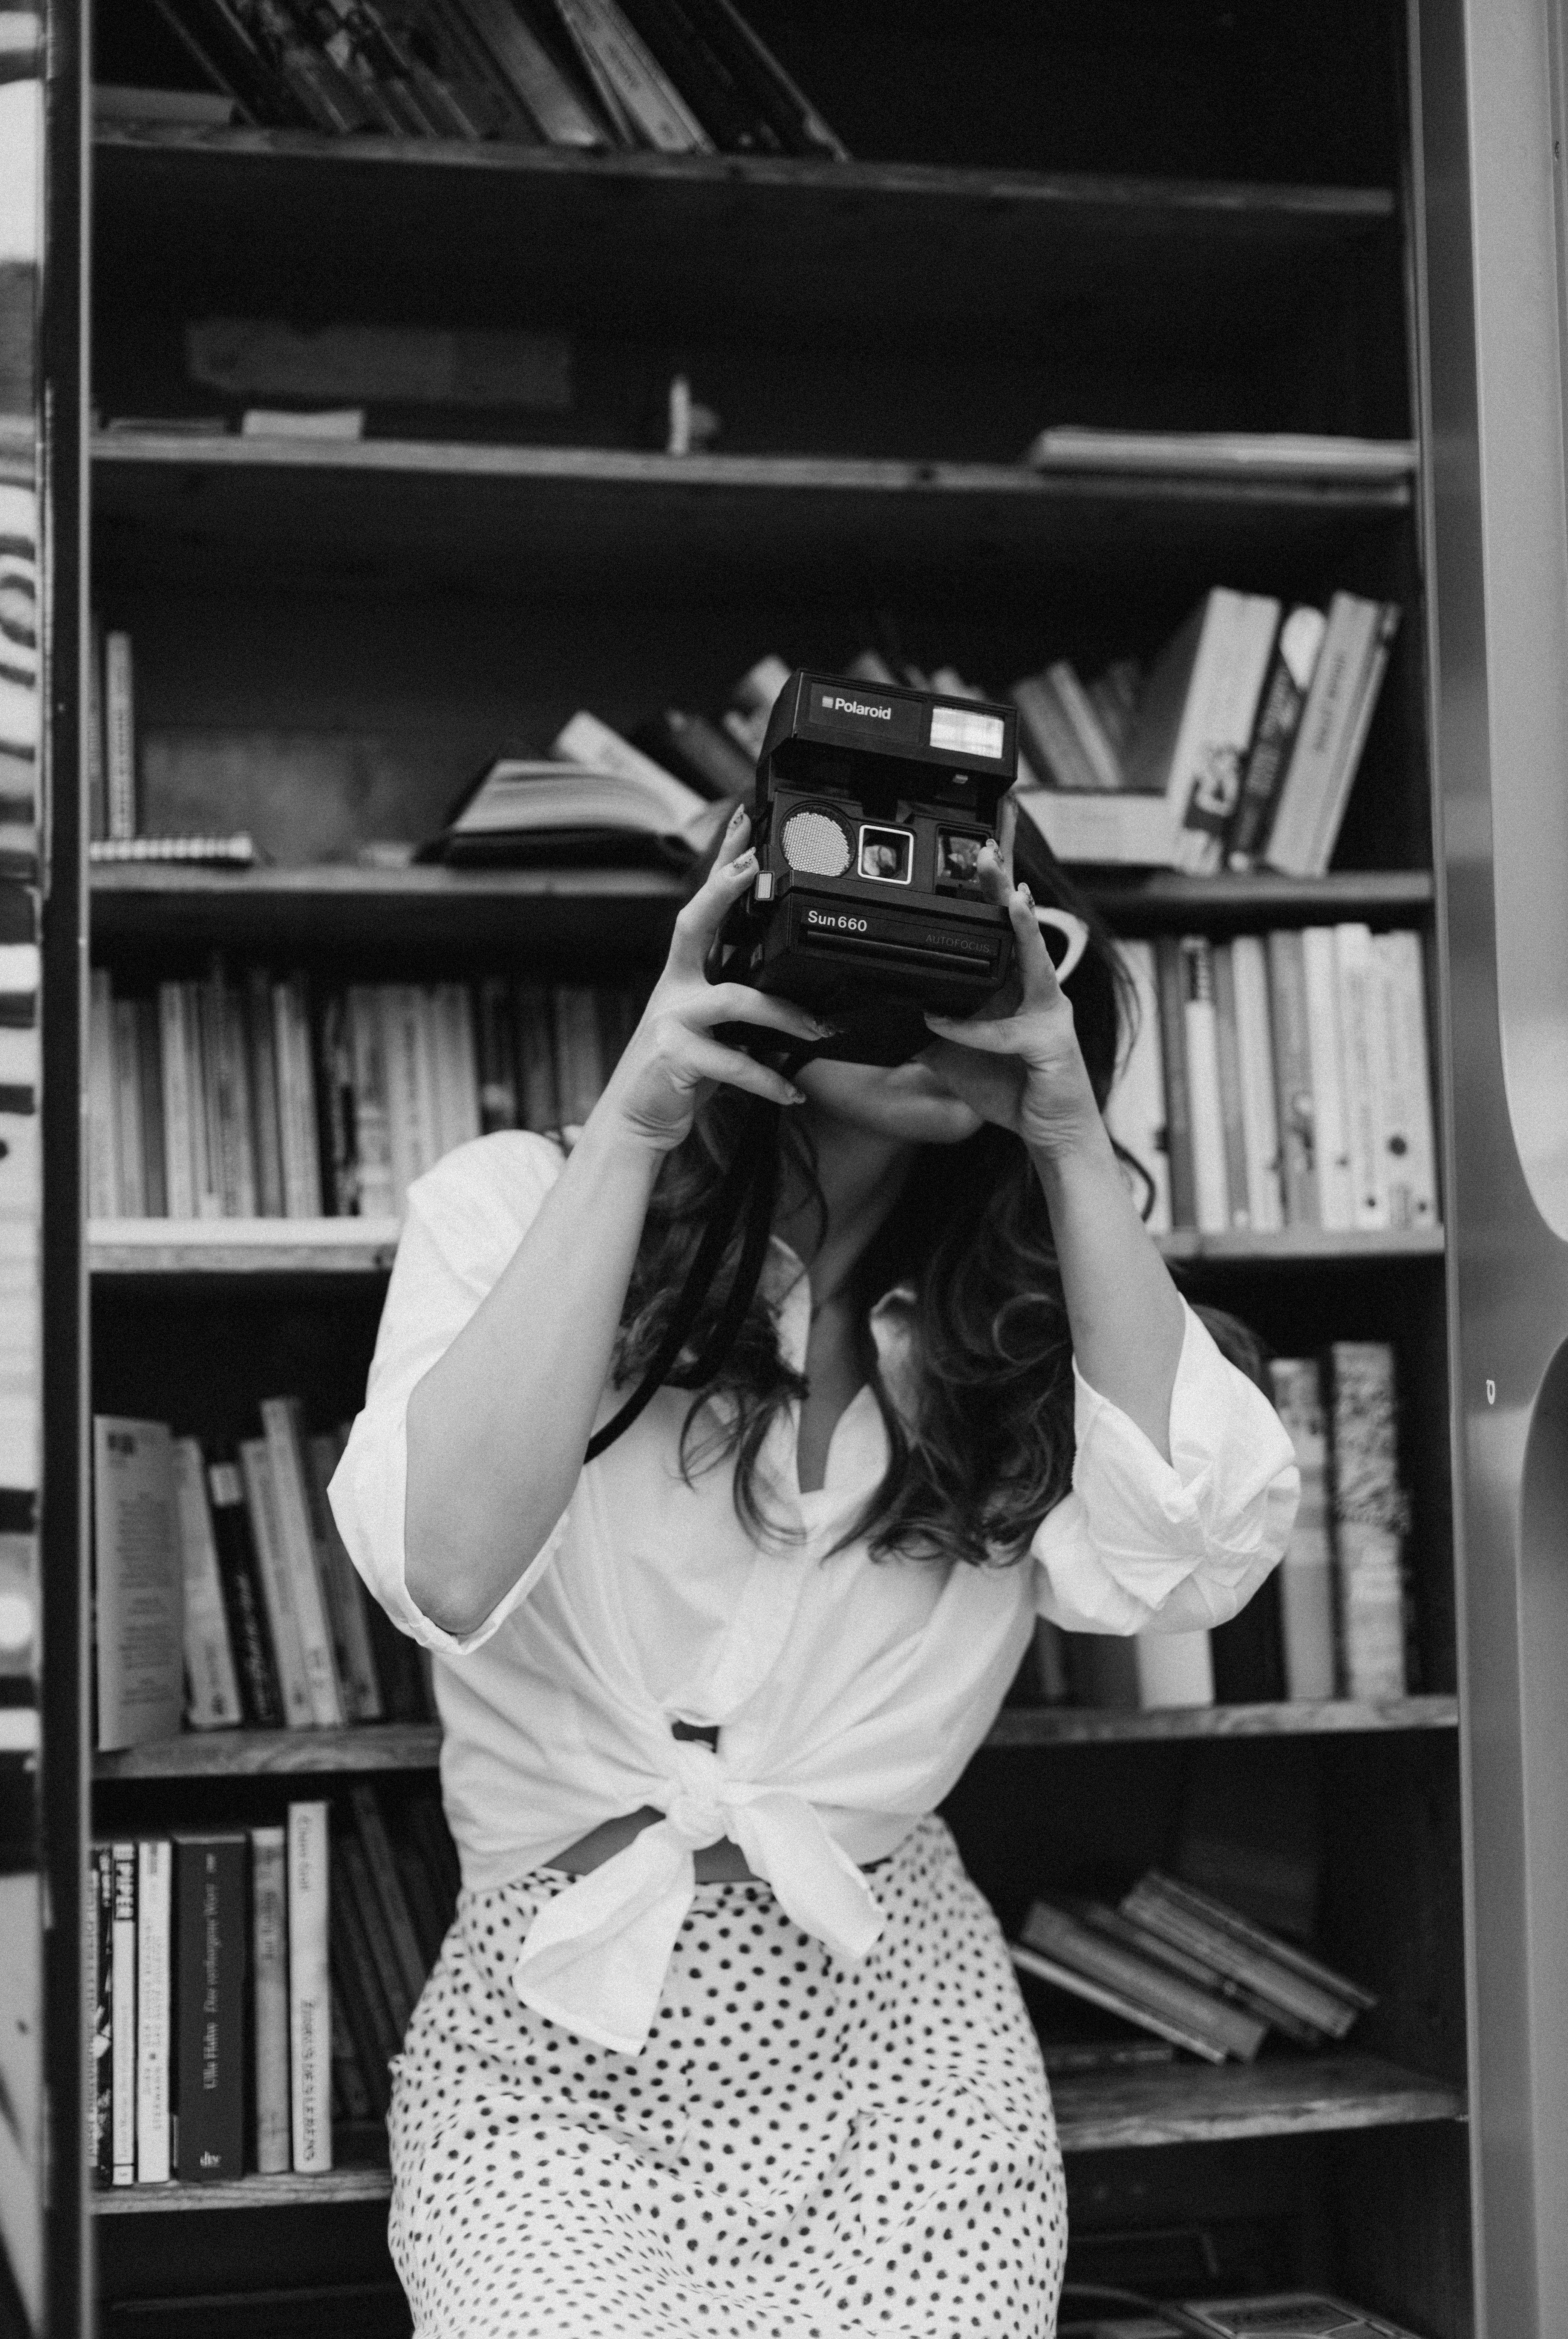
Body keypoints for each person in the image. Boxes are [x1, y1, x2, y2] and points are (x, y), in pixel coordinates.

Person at [329, 806, 1299, 2339]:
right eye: (870, 938)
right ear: (750, 943)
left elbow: (1188, 1561)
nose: (918, 1000)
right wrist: (645, 1115)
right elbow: (444, 1569)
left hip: (899, 2049)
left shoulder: (1018, 1319)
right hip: (563, 2058)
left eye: (965, 946)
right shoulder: (517, 1205)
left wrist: (1055, 1128)